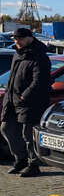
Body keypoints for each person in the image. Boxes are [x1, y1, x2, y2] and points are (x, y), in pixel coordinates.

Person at [0, 27, 51, 177]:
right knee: (6, 128)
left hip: (30, 102)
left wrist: (25, 95)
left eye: (20, 39)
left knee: (28, 135)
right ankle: (20, 159)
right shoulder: (18, 54)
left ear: (30, 38)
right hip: (12, 99)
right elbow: (12, 78)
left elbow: (39, 81)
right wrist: (9, 95)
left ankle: (33, 164)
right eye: (15, 39)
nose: (17, 42)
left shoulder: (39, 56)